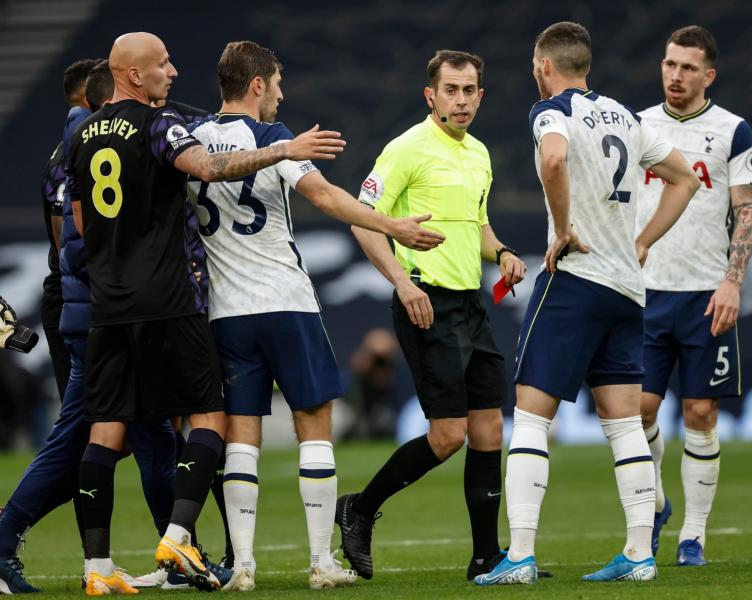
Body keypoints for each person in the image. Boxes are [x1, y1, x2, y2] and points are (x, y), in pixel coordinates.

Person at [64, 32, 344, 594]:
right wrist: (281, 149)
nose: (173, 71)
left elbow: (75, 220)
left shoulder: (82, 135)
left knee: (103, 432)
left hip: (108, 305)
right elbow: (210, 170)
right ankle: (177, 535)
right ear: (135, 76)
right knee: (211, 420)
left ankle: (96, 569)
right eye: (163, 64)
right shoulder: (161, 125)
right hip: (169, 301)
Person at [185, 40, 442, 592]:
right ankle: (321, 562)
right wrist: (393, 227)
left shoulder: (194, 143)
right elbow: (323, 197)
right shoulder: (277, 139)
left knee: (241, 441)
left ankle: (244, 568)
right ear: (257, 85)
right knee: (315, 429)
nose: (280, 93)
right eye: (276, 83)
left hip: (226, 314)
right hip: (286, 303)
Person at [476, 22, 699, 586]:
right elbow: (686, 179)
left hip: (576, 278)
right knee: (623, 423)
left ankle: (520, 557)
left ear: (543, 66)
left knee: (529, 416)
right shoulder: (626, 115)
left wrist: (564, 225)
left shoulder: (549, 111)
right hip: (627, 287)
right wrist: (642, 241)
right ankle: (639, 554)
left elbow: (553, 160)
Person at [339, 49, 525, 582]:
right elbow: (362, 221)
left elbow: (479, 225)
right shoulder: (407, 149)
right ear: (431, 95)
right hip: (426, 301)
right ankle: (359, 507)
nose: (461, 100)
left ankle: (486, 558)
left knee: (490, 427)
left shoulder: (480, 154)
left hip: (470, 304)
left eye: (470, 91)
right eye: (451, 90)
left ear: (480, 96)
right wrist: (401, 280)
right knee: (448, 436)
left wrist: (505, 252)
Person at [0, 59, 184, 596]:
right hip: (100, 310)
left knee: (142, 435)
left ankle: (167, 553)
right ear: (98, 96)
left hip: (94, 306)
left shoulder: (68, 147)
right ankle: (8, 536)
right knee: (87, 434)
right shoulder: (89, 142)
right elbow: (75, 246)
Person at [633, 25, 752, 567]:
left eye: (688, 68)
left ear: (708, 75)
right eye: (669, 65)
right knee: (635, 412)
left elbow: (747, 210)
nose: (676, 76)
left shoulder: (732, 130)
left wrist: (733, 280)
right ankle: (658, 502)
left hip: (707, 294)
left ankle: (693, 534)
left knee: (701, 410)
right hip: (642, 293)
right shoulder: (637, 127)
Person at [39, 59, 97, 399]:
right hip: (72, 293)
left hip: (79, 291)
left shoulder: (79, 144)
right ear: (85, 94)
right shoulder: (71, 153)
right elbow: (65, 237)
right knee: (83, 417)